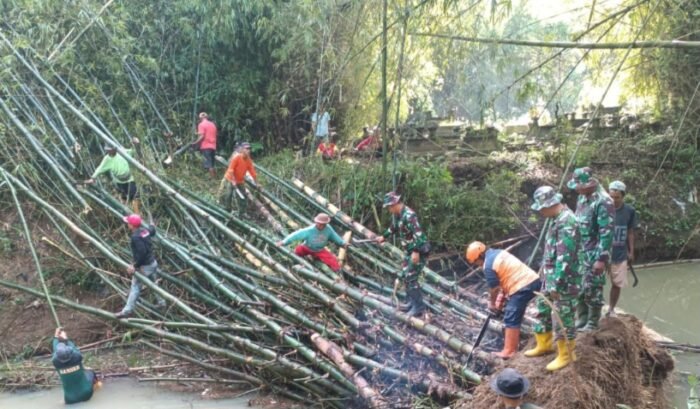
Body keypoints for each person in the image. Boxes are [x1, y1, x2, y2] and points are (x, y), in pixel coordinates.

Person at [525, 185, 581, 371]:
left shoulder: (567, 222)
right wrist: (544, 274)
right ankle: (544, 344)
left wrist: (556, 284)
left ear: (550, 204)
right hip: (550, 278)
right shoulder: (555, 219)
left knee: (563, 316)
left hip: (564, 281)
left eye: (541, 207)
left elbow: (565, 258)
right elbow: (551, 251)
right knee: (542, 307)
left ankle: (566, 354)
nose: (540, 211)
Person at [465, 241, 541, 359]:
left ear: (479, 257)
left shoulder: (488, 266)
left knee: (511, 315)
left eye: (476, 262)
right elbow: (506, 276)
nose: (478, 265)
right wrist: (501, 300)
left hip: (522, 285)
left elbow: (494, 288)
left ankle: (509, 351)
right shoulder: (498, 253)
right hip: (532, 280)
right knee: (514, 311)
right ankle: (514, 344)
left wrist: (492, 304)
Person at [567, 167, 614, 332]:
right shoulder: (582, 197)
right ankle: (582, 319)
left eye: (578, 185)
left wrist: (601, 259)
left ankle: (593, 322)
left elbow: (606, 232)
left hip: (595, 253)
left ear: (588, 184)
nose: (576, 189)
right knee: (579, 286)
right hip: (580, 251)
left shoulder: (603, 201)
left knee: (593, 287)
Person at [375, 192, 430, 316]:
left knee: (411, 277)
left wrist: (416, 252)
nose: (389, 210)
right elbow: (394, 227)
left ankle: (419, 307)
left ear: (394, 204)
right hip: (409, 251)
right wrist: (383, 236)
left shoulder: (410, 215)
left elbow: (419, 236)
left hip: (418, 251)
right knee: (405, 276)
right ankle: (411, 302)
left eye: (389, 207)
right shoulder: (400, 215)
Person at [115, 214, 166, 318]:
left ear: (132, 226)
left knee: (135, 287)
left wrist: (134, 266)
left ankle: (126, 311)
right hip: (152, 264)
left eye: (128, 223)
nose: (127, 224)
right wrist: (152, 225)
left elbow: (142, 253)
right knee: (153, 284)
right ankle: (161, 302)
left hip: (144, 267)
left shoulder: (135, 237)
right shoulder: (144, 231)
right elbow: (152, 231)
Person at [85, 138, 141, 214]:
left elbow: (133, 151)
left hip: (130, 179)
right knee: (125, 198)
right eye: (107, 150)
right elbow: (100, 168)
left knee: (135, 196)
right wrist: (93, 178)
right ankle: (129, 216)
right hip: (119, 182)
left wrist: (137, 144)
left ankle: (137, 215)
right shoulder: (107, 159)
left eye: (110, 149)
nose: (108, 151)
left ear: (114, 148)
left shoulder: (122, 152)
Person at [607, 180, 638, 317]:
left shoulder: (629, 211)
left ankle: (611, 309)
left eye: (617, 197)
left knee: (616, 284)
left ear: (623, 196)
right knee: (594, 283)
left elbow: (630, 231)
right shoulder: (602, 208)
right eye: (611, 197)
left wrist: (631, 251)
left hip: (619, 253)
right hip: (602, 254)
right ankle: (592, 313)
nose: (613, 200)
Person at [276, 213, 347, 272]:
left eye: (323, 224)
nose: (320, 225)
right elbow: (296, 235)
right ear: (316, 222)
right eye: (319, 223)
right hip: (306, 247)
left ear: (326, 223)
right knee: (297, 251)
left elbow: (335, 236)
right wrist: (284, 242)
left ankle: (338, 274)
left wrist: (343, 243)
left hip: (319, 250)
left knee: (333, 262)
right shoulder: (310, 230)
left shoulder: (328, 229)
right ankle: (294, 265)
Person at [52, 328, 100, 404]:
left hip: (70, 399)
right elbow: (72, 346)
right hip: (87, 394)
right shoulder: (76, 357)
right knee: (90, 371)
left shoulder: (56, 362)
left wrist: (55, 337)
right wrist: (65, 339)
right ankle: (98, 386)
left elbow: (55, 349)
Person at [222, 142, 258, 213]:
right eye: (247, 149)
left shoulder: (249, 161)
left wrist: (257, 183)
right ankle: (227, 210)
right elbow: (230, 170)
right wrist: (233, 180)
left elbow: (253, 173)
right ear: (242, 150)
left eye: (249, 149)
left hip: (240, 180)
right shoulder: (236, 158)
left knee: (242, 197)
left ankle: (242, 213)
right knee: (228, 195)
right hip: (230, 179)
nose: (248, 150)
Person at [193, 112, 217, 178]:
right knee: (212, 164)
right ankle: (215, 178)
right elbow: (209, 133)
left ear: (200, 118)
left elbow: (202, 136)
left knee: (209, 165)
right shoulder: (212, 124)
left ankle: (213, 180)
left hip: (206, 146)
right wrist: (197, 133)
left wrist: (195, 142)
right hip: (213, 146)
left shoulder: (201, 125)